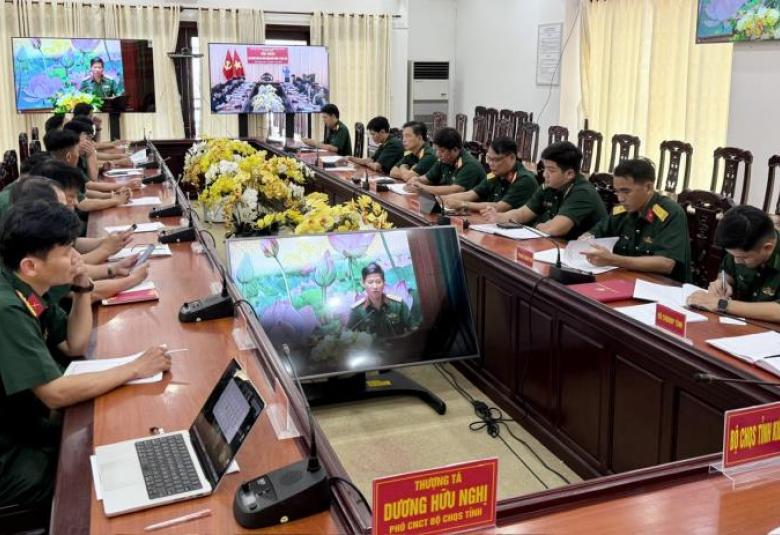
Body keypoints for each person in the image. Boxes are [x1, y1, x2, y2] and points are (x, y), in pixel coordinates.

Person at [0, 200, 170, 508]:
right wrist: (135, 368)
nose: (77, 258)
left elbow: (74, 344)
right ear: (30, 266)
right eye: (67, 252)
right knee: (83, 480)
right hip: (8, 453)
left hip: (25, 423)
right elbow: (55, 394)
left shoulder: (25, 288)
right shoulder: (7, 309)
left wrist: (81, 287)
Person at [578, 159, 691, 283]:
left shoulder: (670, 213)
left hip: (662, 285)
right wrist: (585, 240)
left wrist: (613, 259)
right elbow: (595, 233)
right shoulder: (622, 211)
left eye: (626, 191)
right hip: (626, 279)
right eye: (617, 191)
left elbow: (666, 264)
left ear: (648, 187)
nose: (620, 198)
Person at [484, 141, 607, 240]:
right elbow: (524, 213)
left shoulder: (583, 192)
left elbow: (556, 229)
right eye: (544, 169)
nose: (544, 175)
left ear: (569, 174)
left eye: (551, 170)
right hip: (557, 246)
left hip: (581, 255)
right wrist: (499, 217)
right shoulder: (549, 186)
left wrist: (538, 226)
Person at [687, 206, 780, 323]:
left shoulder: (752, 243)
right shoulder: (740, 244)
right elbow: (726, 273)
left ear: (767, 248)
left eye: (743, 258)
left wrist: (722, 304)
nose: (736, 261)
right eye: (733, 255)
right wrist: (722, 283)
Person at [442, 137, 538, 213]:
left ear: (512, 157)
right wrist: (442, 199)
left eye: (496, 160)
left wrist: (463, 204)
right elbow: (472, 194)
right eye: (489, 158)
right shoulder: (494, 174)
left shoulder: (525, 180)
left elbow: (500, 207)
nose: (491, 164)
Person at [404, 127, 486, 196]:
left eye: (442, 151)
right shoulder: (444, 160)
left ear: (455, 149)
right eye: (436, 150)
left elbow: (455, 190)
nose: (438, 154)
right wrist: (416, 180)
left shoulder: (470, 165)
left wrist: (422, 188)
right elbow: (428, 178)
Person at [347, 263, 411, 338]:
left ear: (384, 283)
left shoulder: (398, 305)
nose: (375, 287)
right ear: (363, 283)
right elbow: (349, 337)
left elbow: (413, 329)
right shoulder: (357, 311)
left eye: (378, 282)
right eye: (370, 282)